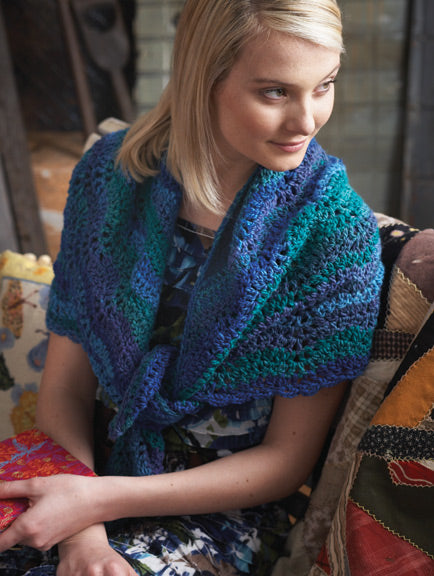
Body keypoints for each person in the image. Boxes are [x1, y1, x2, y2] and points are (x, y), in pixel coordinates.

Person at [0, 0, 384, 574]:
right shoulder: (109, 180)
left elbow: (286, 461)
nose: (307, 121)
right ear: (205, 79)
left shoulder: (333, 234)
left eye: (324, 85)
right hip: (77, 481)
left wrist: (93, 503)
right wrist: (83, 532)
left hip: (220, 518)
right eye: (275, 92)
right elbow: (66, 391)